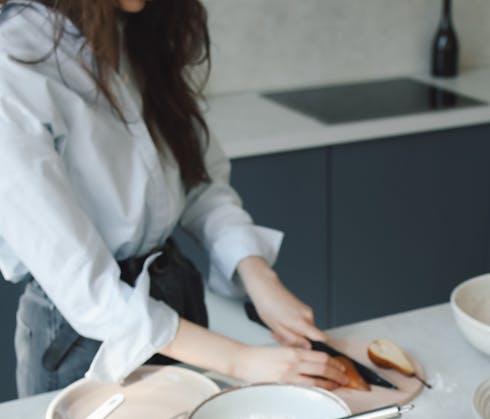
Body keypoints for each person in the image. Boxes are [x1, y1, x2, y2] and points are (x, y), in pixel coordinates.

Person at [0, 0, 349, 396]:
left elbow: (195, 181)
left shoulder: (129, 29)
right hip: (82, 341)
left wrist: (259, 276)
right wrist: (241, 360)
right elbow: (89, 290)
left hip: (176, 308)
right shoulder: (11, 66)